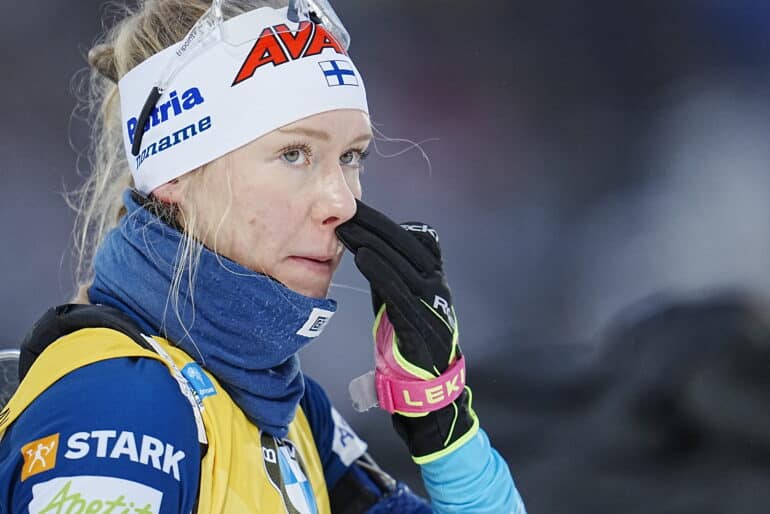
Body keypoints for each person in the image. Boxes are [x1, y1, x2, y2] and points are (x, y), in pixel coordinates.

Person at [0, 1, 525, 513]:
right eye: (294, 154)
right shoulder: (121, 405)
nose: (343, 203)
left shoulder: (292, 411)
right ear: (174, 174)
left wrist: (441, 420)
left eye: (351, 157)